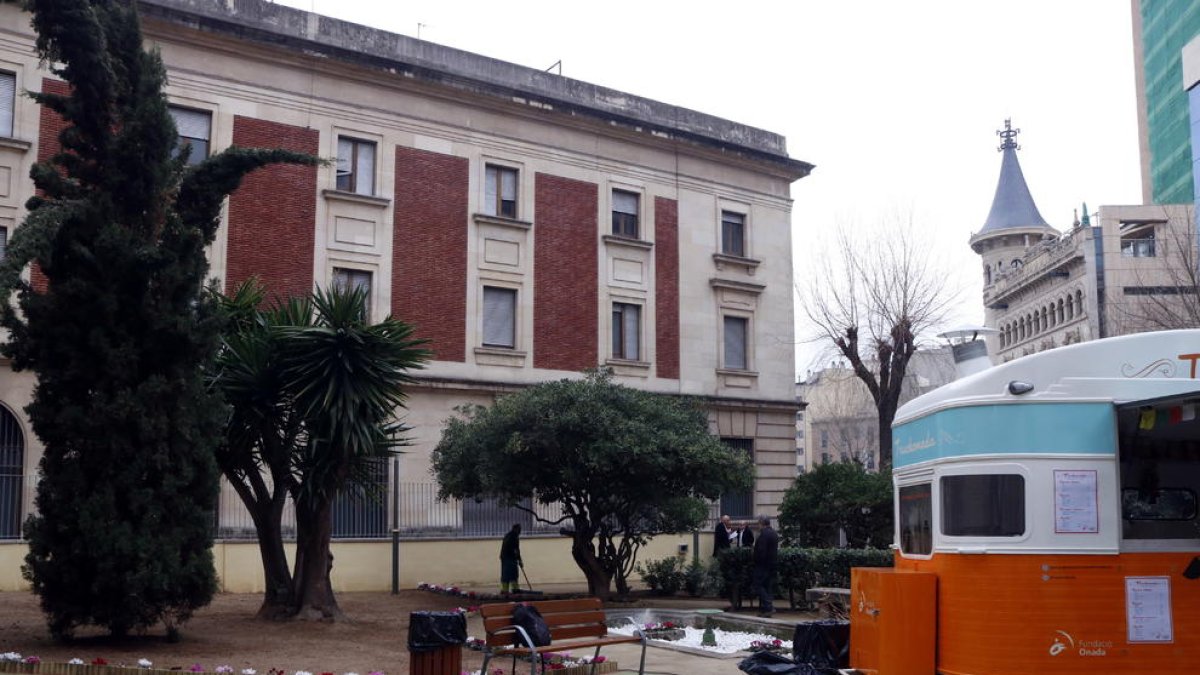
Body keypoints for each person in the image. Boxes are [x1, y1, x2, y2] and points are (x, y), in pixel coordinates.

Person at [752, 516, 779, 617]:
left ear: (761, 523)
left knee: (758, 585)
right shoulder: (774, 533)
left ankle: (768, 606)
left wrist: (756, 560)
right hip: (772, 565)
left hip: (762, 565)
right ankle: (765, 610)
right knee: (767, 587)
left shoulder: (764, 534)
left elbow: (761, 551)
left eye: (758, 524)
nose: (758, 526)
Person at [499, 523, 523, 594]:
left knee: (511, 574)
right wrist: (519, 559)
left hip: (507, 557)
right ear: (515, 529)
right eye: (519, 530)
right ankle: (507, 590)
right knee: (509, 574)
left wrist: (519, 559)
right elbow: (515, 549)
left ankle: (512, 589)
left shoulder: (510, 536)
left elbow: (516, 549)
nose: (520, 531)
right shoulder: (512, 537)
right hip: (508, 558)